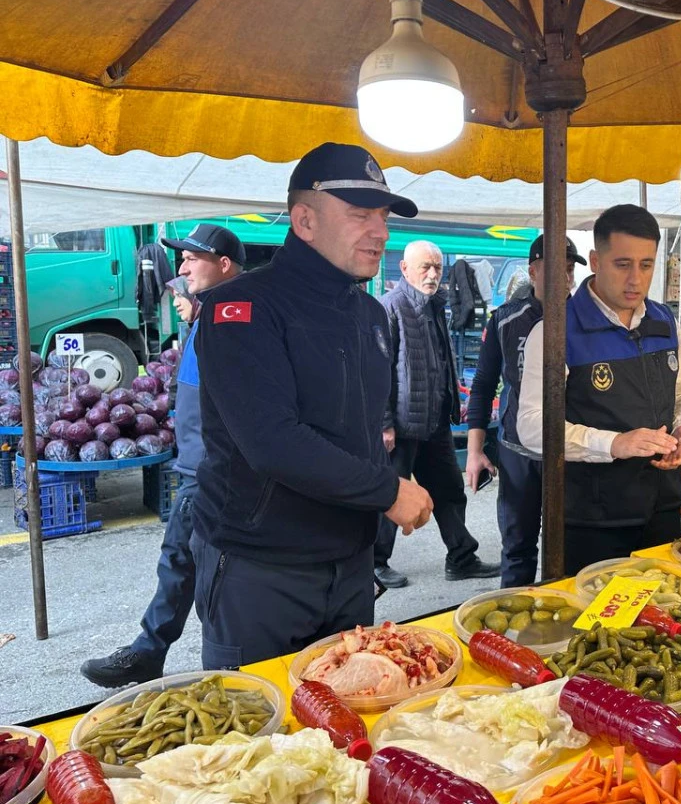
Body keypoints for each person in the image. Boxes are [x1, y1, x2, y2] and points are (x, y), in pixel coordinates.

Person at [188, 142, 433, 670]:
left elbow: (363, 431)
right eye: (361, 214)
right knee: (260, 717)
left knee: (354, 708)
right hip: (263, 571)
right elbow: (272, 441)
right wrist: (387, 490)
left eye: (384, 216)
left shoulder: (370, 314)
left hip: (350, 565)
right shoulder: (243, 308)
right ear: (304, 221)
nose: (381, 231)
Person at [81, 224, 245, 687]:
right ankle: (154, 652)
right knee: (183, 560)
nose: (183, 267)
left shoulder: (235, 320)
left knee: (203, 566)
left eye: (192, 258)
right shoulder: (206, 317)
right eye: (182, 258)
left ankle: (217, 664)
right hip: (197, 465)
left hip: (215, 469)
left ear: (224, 265)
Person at [517, 204, 681, 574]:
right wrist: (613, 444)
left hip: (661, 509)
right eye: (622, 264)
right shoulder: (555, 331)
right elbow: (532, 426)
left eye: (646, 265)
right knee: (593, 608)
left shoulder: (664, 321)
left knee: (664, 604)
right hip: (593, 520)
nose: (636, 279)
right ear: (595, 261)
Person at [375, 240, 500, 584]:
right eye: (425, 267)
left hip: (435, 421)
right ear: (404, 269)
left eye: (437, 268)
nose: (433, 274)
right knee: (390, 495)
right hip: (402, 425)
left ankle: (461, 558)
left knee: (449, 491)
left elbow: (441, 361)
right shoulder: (390, 307)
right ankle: (374, 564)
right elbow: (376, 370)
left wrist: (453, 402)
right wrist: (384, 423)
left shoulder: (434, 305)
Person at [465, 234, 586, 586]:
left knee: (571, 548)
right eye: (555, 269)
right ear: (533, 271)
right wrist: (474, 451)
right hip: (518, 453)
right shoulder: (505, 320)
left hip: (571, 451)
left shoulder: (586, 320)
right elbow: (483, 385)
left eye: (569, 269)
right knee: (518, 549)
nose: (565, 278)